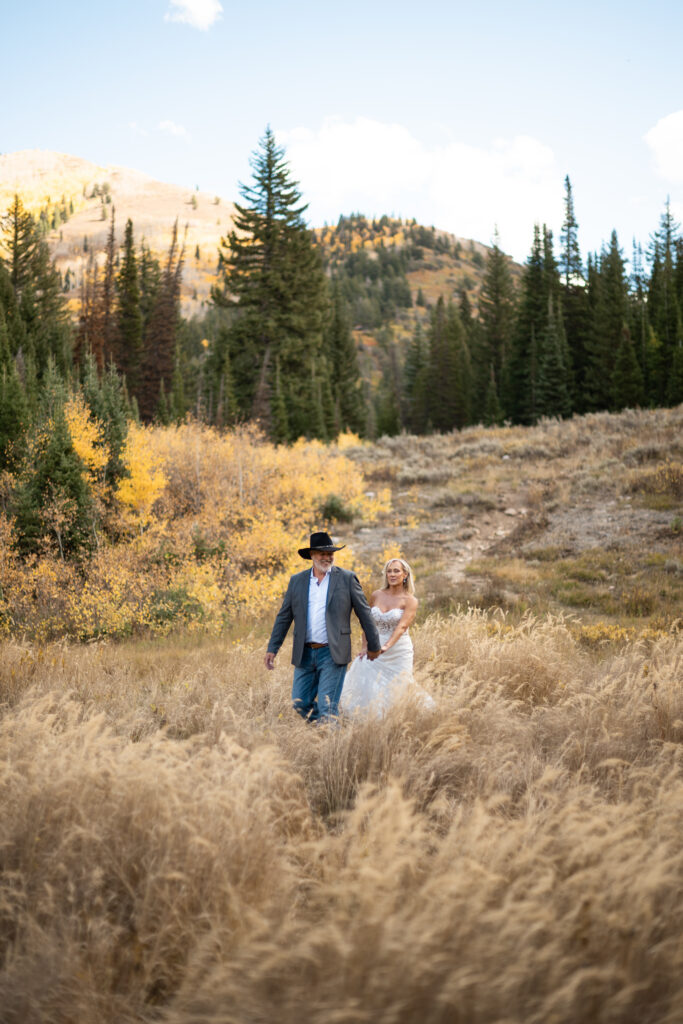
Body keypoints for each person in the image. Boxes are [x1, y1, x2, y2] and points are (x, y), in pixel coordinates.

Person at [264, 531, 382, 722]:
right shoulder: (297, 581)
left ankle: (330, 734)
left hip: (332, 652)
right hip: (304, 653)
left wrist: (374, 646)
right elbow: (284, 617)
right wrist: (272, 648)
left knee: (327, 707)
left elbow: (365, 614)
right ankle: (327, 727)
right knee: (299, 703)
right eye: (322, 554)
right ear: (312, 555)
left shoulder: (347, 578)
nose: (327, 557)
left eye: (330, 554)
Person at [341, 557, 434, 716]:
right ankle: (371, 717)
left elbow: (402, 627)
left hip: (398, 650)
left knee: (398, 684)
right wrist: (365, 646)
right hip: (374, 646)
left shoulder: (410, 600)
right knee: (367, 681)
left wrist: (385, 647)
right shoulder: (376, 595)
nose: (392, 574)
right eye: (389, 571)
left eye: (396, 571)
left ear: (405, 575)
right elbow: (367, 622)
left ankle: (399, 716)